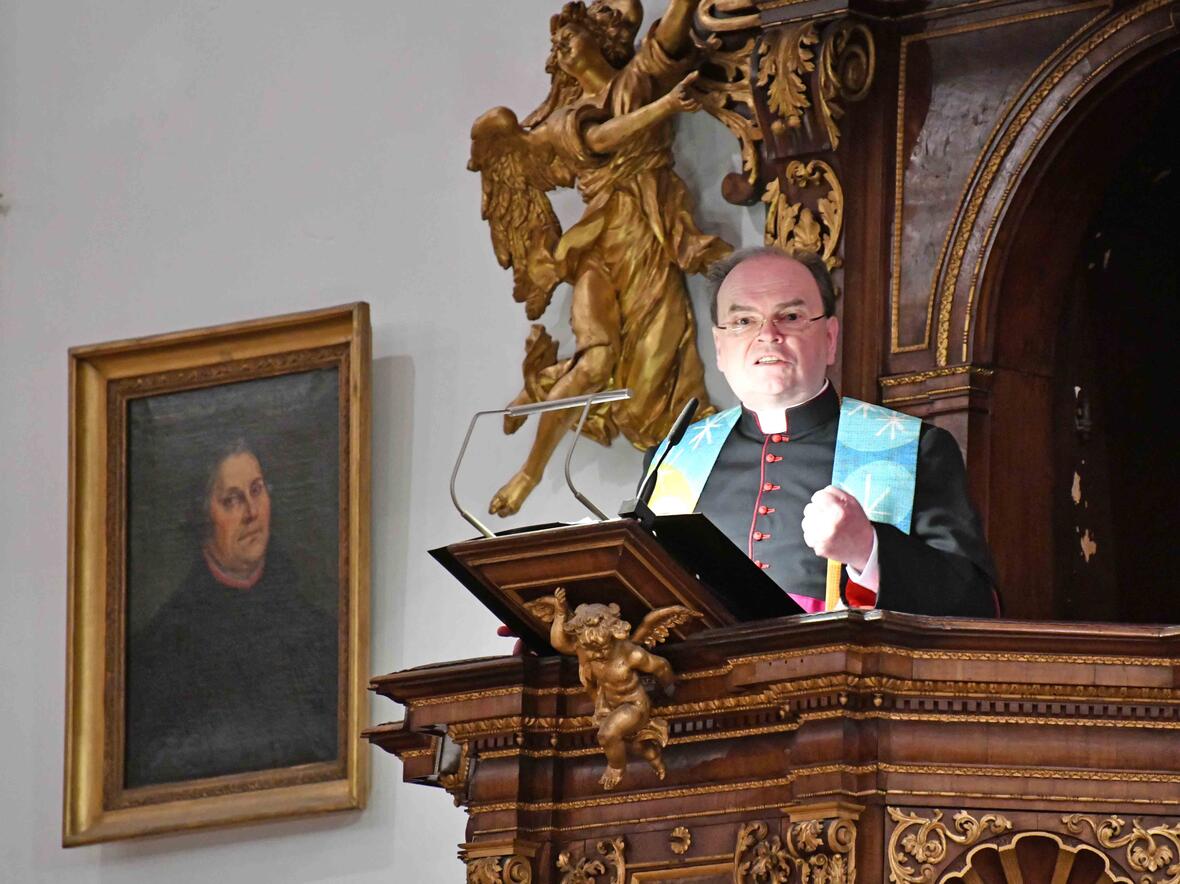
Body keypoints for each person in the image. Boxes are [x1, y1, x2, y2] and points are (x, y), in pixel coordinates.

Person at [471, 0, 729, 518]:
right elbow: (598, 140)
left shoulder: (635, 80)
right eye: (556, 47)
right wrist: (664, 109)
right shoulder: (565, 120)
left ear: (600, 40)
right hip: (597, 244)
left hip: (647, 238)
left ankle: (546, 386)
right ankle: (529, 472)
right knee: (595, 363)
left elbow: (668, 42)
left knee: (647, 394)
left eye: (570, 38)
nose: (561, 51)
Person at [646, 247, 999, 617]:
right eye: (743, 321)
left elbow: (977, 607)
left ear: (830, 338)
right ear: (719, 347)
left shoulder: (917, 448)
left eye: (791, 316)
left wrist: (868, 549)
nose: (768, 335)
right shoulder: (671, 458)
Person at [124, 439, 339, 788]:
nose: (252, 512)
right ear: (201, 516)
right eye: (232, 499)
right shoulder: (163, 647)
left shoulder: (317, 630)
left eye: (257, 490)